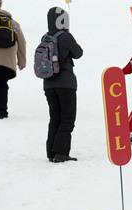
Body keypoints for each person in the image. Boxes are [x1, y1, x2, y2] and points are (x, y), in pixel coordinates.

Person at [43, 7, 83, 163]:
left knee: (55, 118)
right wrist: (67, 32)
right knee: (67, 118)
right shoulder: (65, 36)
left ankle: (51, 152)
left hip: (48, 84)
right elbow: (78, 53)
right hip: (66, 84)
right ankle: (61, 153)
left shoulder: (45, 37)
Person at [0, 0, 26, 119]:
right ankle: (2, 113)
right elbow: (22, 42)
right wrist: (21, 61)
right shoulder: (13, 23)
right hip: (6, 61)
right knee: (1, 84)